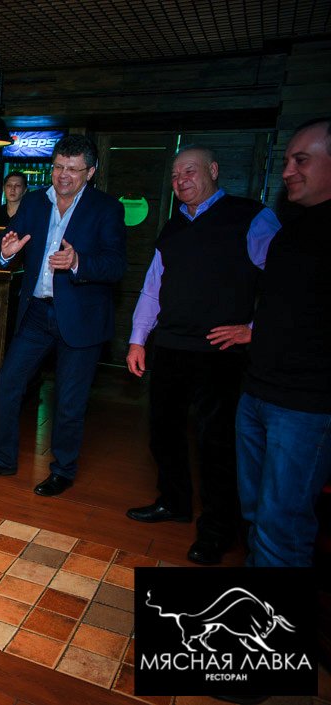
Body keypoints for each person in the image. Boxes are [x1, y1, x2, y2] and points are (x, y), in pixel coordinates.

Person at [125, 146, 280, 566]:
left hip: (220, 352)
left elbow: (285, 282)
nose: (181, 181)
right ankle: (172, 501)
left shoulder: (251, 216)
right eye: (176, 175)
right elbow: (152, 287)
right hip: (171, 346)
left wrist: (254, 330)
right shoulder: (173, 225)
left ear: (213, 170)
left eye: (189, 171)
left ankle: (217, 530)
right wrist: (138, 340)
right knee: (163, 433)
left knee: (216, 444)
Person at [0, 135, 126, 496]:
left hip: (80, 317)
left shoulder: (106, 208)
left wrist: (79, 261)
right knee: (8, 382)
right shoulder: (35, 202)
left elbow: (116, 265)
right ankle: (2, 458)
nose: (63, 175)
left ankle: (63, 470)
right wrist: (5, 251)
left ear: (90, 172)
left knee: (69, 399)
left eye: (73, 169)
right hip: (37, 313)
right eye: (58, 167)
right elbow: (5, 244)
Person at [236, 117, 331, 567]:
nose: (288, 171)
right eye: (288, 160)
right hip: (258, 392)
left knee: (282, 530)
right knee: (256, 516)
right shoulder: (292, 228)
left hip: (306, 405)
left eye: (301, 160)